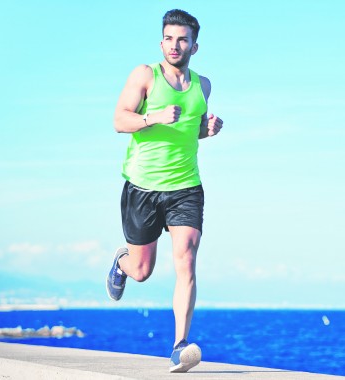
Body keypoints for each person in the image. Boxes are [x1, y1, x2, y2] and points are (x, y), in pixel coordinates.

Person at [105, 9, 223, 373]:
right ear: (161, 43)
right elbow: (119, 120)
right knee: (142, 271)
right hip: (143, 187)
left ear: (195, 46)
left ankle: (179, 345)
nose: (176, 45)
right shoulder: (145, 75)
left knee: (186, 259)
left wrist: (209, 129)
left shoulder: (203, 85)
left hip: (186, 186)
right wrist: (153, 116)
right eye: (170, 39)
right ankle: (121, 262)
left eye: (183, 39)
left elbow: (191, 129)